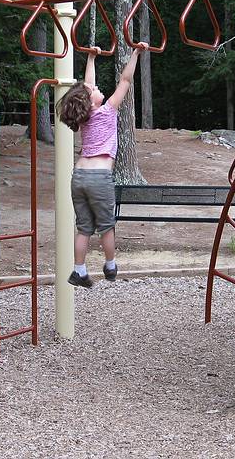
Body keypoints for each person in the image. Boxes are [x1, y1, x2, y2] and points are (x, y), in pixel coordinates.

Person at [55, 43, 144, 288]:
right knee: (106, 226)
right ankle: (110, 264)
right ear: (90, 101)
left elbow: (87, 83)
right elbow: (126, 80)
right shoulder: (106, 111)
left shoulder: (85, 117)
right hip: (98, 178)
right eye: (94, 89)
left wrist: (91, 58)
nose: (96, 87)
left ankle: (79, 270)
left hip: (79, 177)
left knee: (84, 227)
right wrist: (135, 54)